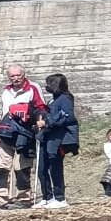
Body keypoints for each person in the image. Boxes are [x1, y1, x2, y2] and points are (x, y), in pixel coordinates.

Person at [0, 64, 45, 202]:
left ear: (24, 75)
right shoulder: (6, 91)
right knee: (2, 165)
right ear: (8, 77)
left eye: (18, 75)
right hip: (6, 132)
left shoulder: (33, 88)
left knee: (21, 166)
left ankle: (24, 197)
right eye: (12, 76)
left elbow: (41, 107)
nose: (16, 78)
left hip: (25, 132)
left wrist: (39, 123)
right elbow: (3, 111)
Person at [36, 73, 79, 211]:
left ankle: (60, 198)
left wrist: (48, 122)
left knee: (55, 168)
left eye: (49, 83)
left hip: (58, 138)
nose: (46, 86)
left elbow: (69, 117)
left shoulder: (65, 99)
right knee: (42, 168)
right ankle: (47, 197)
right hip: (46, 136)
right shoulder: (52, 100)